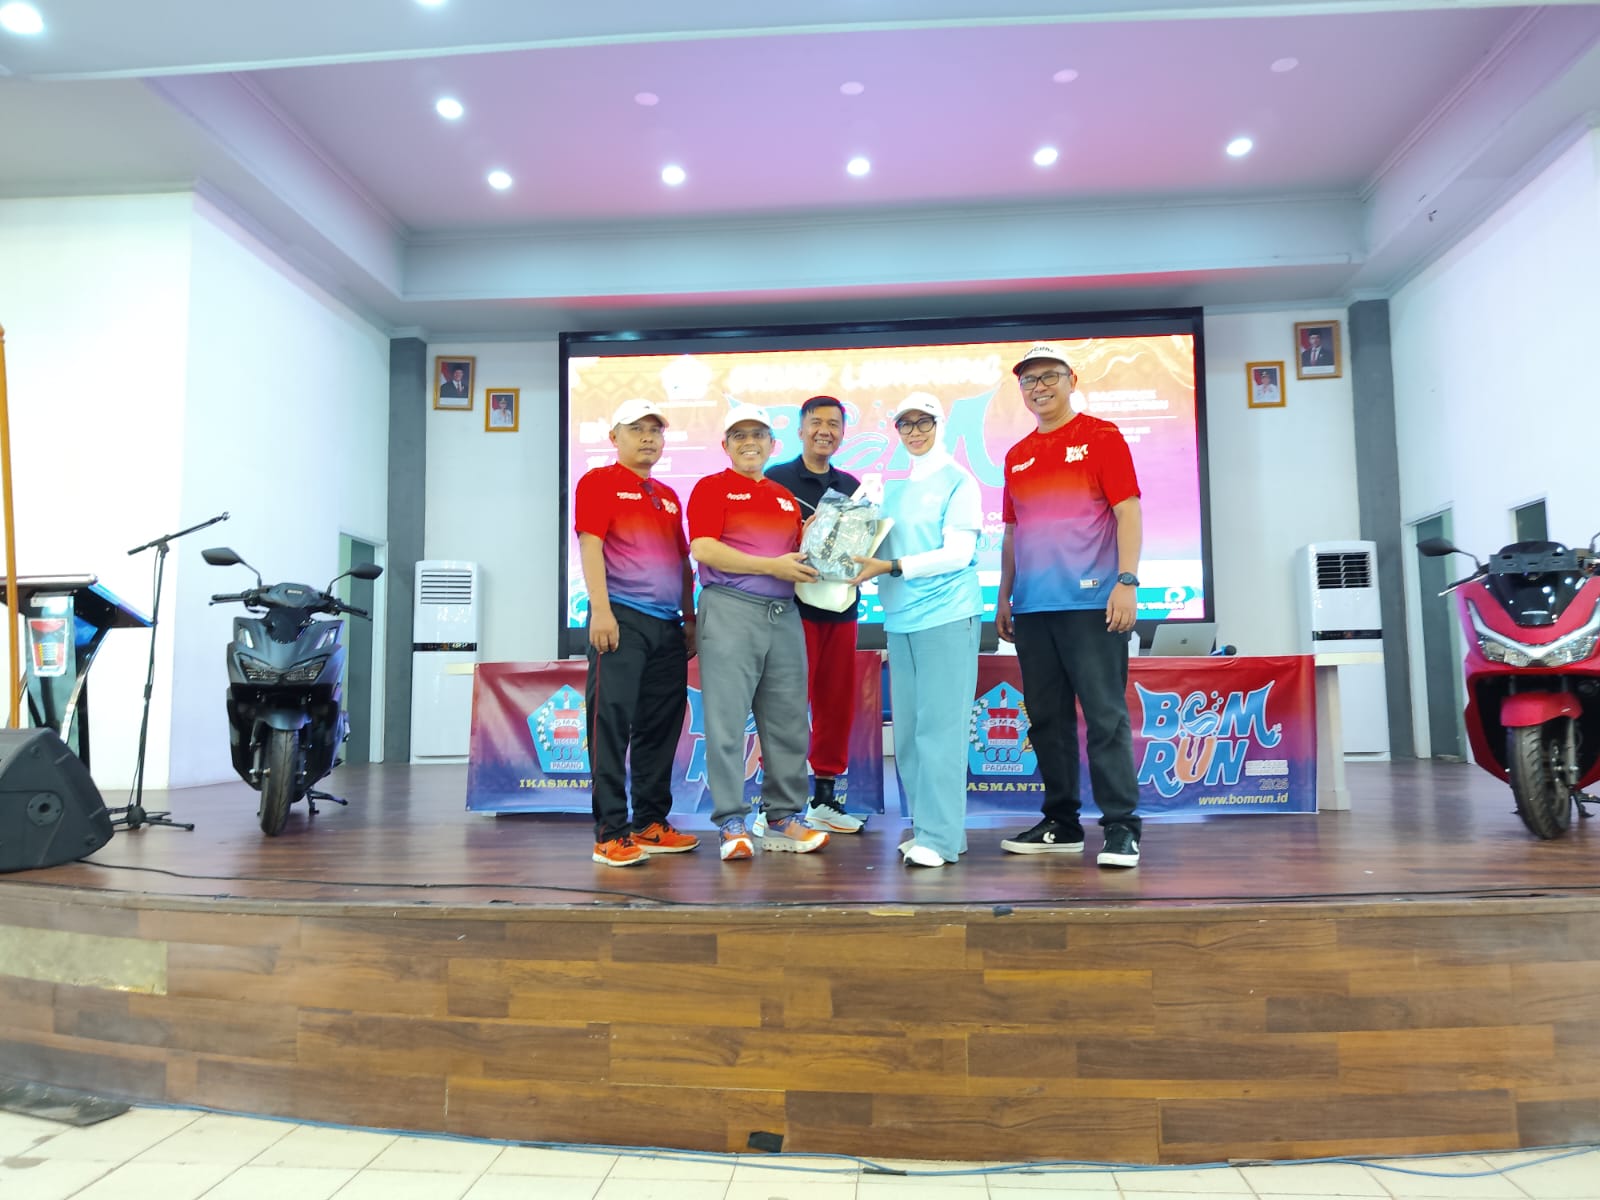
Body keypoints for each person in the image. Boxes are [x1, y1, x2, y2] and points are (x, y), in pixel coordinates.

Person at [995, 343, 1145, 869]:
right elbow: (1012, 531)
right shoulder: (1017, 454)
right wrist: (1004, 595)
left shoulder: (1101, 436)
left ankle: (1121, 827)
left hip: (1092, 604)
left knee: (1105, 717)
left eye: (1049, 377)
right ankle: (1061, 823)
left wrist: (1127, 581)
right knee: (1046, 721)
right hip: (1033, 608)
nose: (1039, 387)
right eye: (1029, 380)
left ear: (1071, 380)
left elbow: (1128, 511)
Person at [688, 404, 831, 861]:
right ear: (726, 445)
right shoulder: (712, 487)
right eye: (739, 435)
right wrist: (771, 566)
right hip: (730, 610)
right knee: (727, 723)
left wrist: (821, 538)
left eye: (758, 435)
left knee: (789, 721)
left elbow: (797, 558)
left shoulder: (784, 497)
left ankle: (784, 817)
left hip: (784, 614)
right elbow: (703, 548)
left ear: (773, 444)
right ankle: (731, 822)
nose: (749, 442)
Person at [850, 394, 983, 867]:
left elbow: (958, 554)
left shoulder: (959, 481)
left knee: (941, 733)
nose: (915, 432)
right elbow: (866, 546)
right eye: (905, 425)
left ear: (940, 423)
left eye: (923, 422)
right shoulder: (893, 489)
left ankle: (940, 839)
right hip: (900, 621)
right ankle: (933, 830)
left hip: (947, 616)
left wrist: (894, 566)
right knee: (908, 735)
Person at [574, 398, 700, 867]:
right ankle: (610, 833)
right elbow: (591, 545)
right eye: (636, 429)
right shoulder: (598, 481)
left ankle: (650, 823)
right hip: (621, 619)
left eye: (655, 430)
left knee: (660, 727)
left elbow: (682, 562)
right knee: (610, 725)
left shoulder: (667, 495)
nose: (648, 437)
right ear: (614, 437)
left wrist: (689, 618)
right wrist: (600, 611)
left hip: (667, 627)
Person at [762, 394, 867, 834]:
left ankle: (824, 799)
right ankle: (775, 805)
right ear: (801, 429)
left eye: (834, 424)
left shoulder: (852, 486)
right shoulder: (775, 480)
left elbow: (862, 544)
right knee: (787, 705)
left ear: (842, 433)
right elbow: (764, 541)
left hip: (842, 607)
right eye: (817, 423)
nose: (825, 431)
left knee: (835, 704)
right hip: (793, 608)